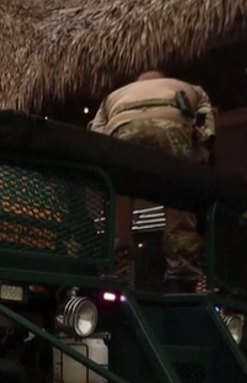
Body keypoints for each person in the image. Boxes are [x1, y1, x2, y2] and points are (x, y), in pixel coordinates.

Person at [89, 70, 216, 293]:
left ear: (137, 83)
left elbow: (96, 134)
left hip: (123, 127)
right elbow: (206, 129)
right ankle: (181, 273)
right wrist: (196, 161)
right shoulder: (192, 89)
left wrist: (110, 171)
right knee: (179, 196)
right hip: (172, 127)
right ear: (162, 79)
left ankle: (116, 270)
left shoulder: (114, 96)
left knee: (120, 195)